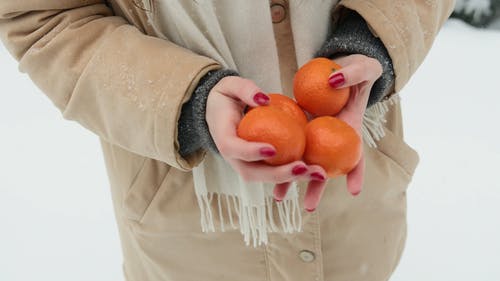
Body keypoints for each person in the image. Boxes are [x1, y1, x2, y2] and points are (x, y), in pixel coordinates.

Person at [0, 1, 454, 280]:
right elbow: (42, 18)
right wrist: (189, 101)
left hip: (356, 211)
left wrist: (370, 40)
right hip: (189, 232)